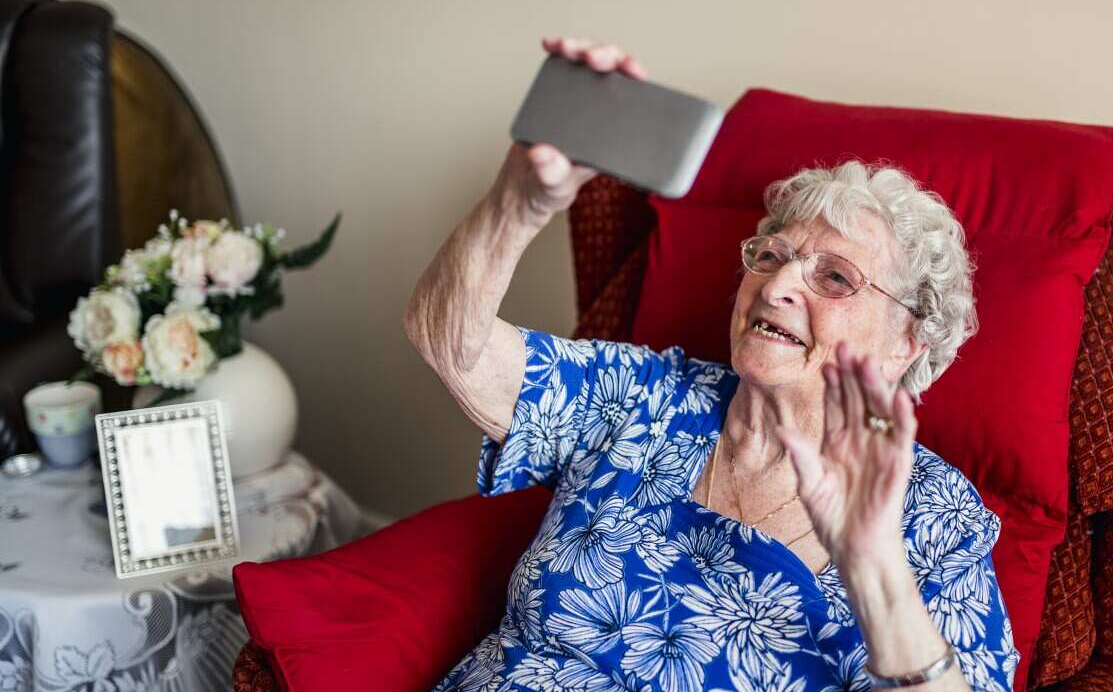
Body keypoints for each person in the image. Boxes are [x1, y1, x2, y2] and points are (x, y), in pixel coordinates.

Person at [404, 36, 1018, 692]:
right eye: (772, 255)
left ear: (906, 344)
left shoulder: (935, 518)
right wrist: (519, 201)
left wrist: (874, 571)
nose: (778, 286)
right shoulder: (646, 399)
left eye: (834, 278)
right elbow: (447, 341)